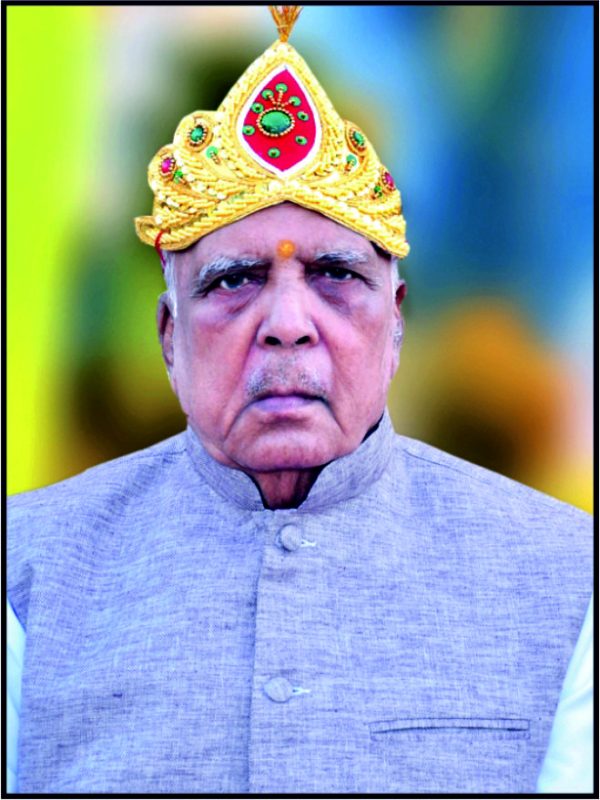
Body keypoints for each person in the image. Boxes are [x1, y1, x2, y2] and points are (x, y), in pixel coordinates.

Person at [7, 6, 592, 794]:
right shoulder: (27, 571)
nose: (287, 325)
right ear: (169, 336)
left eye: (337, 275)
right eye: (234, 280)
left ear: (396, 323)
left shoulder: (565, 579)